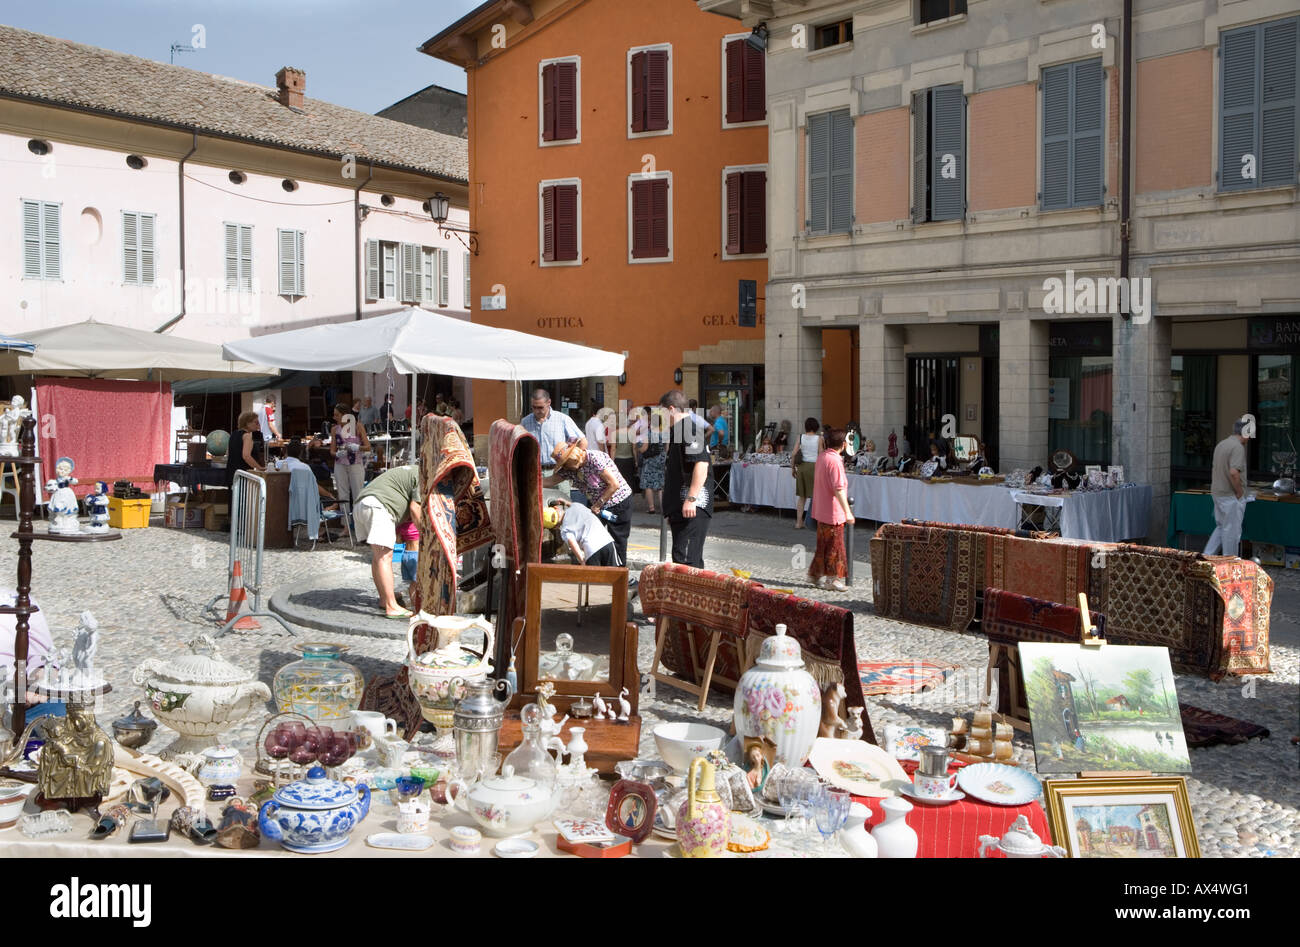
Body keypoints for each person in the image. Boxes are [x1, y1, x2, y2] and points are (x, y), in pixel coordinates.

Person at [546, 441, 633, 566]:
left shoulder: (594, 459)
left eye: (565, 463)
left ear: (573, 458)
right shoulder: (570, 469)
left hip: (619, 502)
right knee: (593, 535)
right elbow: (551, 481)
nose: (564, 467)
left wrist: (598, 504)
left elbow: (614, 484)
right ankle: (598, 570)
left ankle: (620, 575)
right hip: (598, 505)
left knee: (618, 540)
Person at [354, 464, 422, 619]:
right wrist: (426, 535)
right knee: (384, 557)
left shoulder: (411, 470)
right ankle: (391, 606)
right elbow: (415, 509)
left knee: (379, 556)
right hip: (378, 506)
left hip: (362, 504)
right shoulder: (423, 475)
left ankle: (385, 599)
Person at [661, 389, 714, 568]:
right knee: (682, 558)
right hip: (682, 508)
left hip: (693, 507)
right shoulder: (679, 430)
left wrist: (691, 499)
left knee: (687, 563)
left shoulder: (688, 429)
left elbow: (701, 464)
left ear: (670, 409)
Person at [809, 428, 855, 591]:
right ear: (843, 445)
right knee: (835, 546)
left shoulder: (822, 457)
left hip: (821, 508)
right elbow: (839, 488)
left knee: (823, 544)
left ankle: (815, 574)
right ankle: (832, 579)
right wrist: (847, 511)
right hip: (832, 510)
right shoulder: (835, 461)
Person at [1204, 418, 1252, 557]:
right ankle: (1230, 565)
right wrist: (1239, 492)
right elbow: (1234, 472)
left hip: (1218, 492)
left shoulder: (1222, 444)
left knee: (1221, 527)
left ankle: (1207, 557)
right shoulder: (1237, 447)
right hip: (1230, 495)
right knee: (1231, 532)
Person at [521, 389, 585, 468]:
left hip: (558, 471)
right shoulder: (525, 422)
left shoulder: (562, 419)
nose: (537, 411)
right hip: (533, 471)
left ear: (549, 403)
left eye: (540, 407)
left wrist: (575, 465)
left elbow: (582, 440)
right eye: (534, 407)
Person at [549, 499, 618, 567]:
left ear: (555, 527)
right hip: (607, 542)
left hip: (591, 550)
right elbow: (572, 504)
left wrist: (582, 561)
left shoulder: (565, 530)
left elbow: (573, 544)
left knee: (595, 576)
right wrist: (565, 502)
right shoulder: (577, 506)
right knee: (614, 574)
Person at [278, 439, 338, 505]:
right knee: (332, 502)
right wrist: (329, 495)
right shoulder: (304, 467)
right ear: (300, 453)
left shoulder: (278, 464)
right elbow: (315, 486)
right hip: (300, 501)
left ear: (286, 452)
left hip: (281, 497)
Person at [793, 417, 823, 529]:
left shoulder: (800, 437)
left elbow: (794, 453)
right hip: (814, 466)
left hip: (802, 467)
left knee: (802, 497)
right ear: (816, 427)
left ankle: (798, 522)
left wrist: (792, 468)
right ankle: (815, 522)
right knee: (816, 495)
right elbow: (820, 454)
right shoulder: (819, 438)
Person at [226, 411, 266, 491]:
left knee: (233, 500)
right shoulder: (248, 436)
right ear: (247, 423)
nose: (258, 425)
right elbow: (246, 456)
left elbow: (228, 453)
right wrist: (259, 468)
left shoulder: (233, 434)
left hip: (232, 473)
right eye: (256, 422)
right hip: (243, 474)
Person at [635, 406, 665, 515]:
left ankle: (652, 508)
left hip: (650, 461)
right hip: (661, 460)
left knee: (648, 484)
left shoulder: (648, 434)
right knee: (660, 484)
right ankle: (663, 508)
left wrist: (638, 447)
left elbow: (644, 449)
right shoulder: (663, 434)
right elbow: (666, 448)